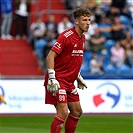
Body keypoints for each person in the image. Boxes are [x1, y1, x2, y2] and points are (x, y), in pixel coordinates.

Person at [44, 8, 91, 133]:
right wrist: (52, 78)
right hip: (58, 79)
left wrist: (78, 76)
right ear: (76, 21)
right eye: (84, 20)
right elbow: (50, 56)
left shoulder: (82, 38)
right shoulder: (66, 36)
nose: (88, 23)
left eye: (89, 20)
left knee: (77, 111)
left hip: (69, 81)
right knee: (63, 111)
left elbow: (71, 60)